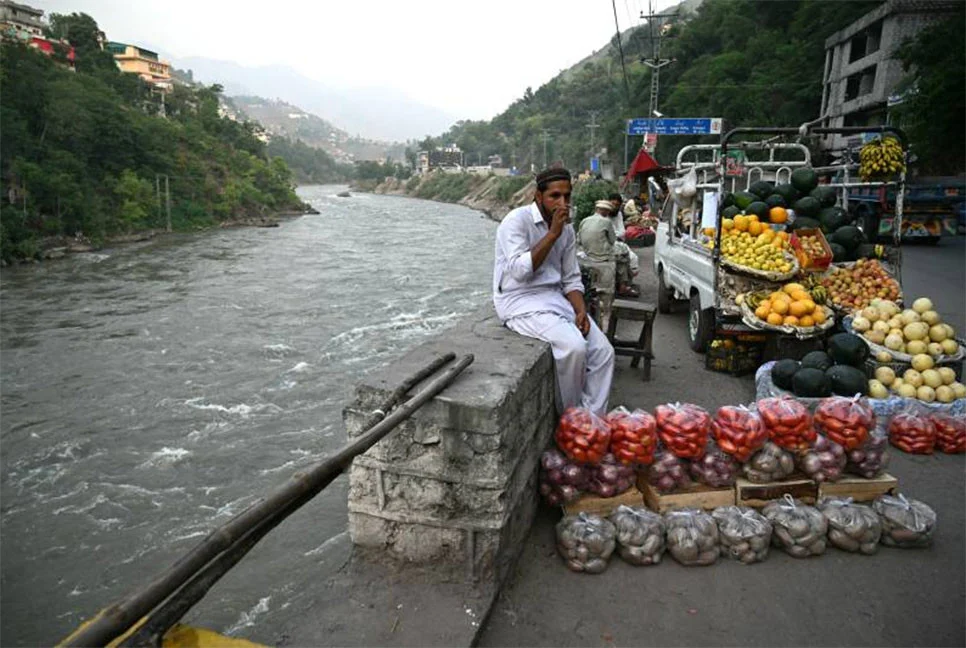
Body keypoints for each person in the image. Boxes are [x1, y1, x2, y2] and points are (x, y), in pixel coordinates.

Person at [492, 167, 615, 415]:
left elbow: (571, 278)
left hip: (554, 300)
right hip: (519, 301)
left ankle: (593, 419)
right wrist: (552, 234)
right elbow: (519, 271)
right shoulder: (516, 222)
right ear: (539, 196)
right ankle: (572, 417)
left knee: (603, 352)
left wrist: (580, 310)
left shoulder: (567, 230)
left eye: (567, 196)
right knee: (574, 349)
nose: (563, 203)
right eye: (555, 196)